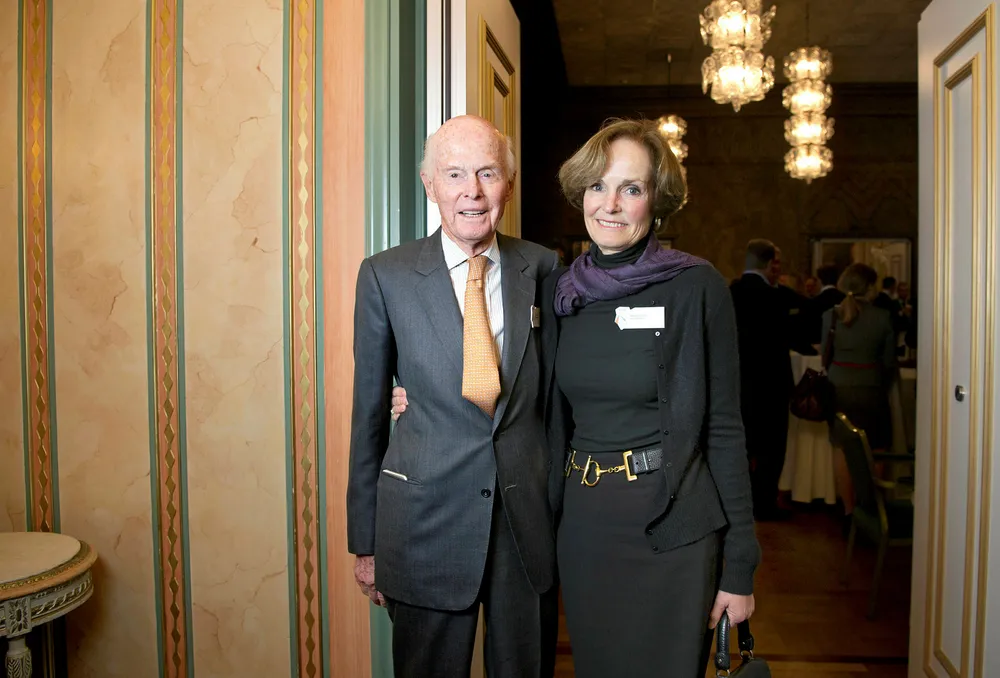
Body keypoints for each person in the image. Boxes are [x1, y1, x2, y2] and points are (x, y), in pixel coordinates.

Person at [395, 118, 759, 677]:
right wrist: (414, 396)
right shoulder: (559, 289)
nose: (610, 204)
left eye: (631, 188)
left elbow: (726, 430)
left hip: (674, 526)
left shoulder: (696, 287)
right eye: (597, 185)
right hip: (584, 528)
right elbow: (514, 381)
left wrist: (740, 568)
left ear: (656, 199)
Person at [347, 115, 559, 678]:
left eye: (487, 173)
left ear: (508, 185)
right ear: (429, 184)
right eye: (455, 174)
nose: (473, 191)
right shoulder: (385, 275)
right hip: (424, 524)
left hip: (525, 527)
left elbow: (558, 404)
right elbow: (368, 417)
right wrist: (365, 541)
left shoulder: (544, 268)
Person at [822, 263, 897, 520]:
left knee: (842, 448)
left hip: (838, 387)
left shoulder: (831, 316)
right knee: (877, 447)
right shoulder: (882, 317)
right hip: (871, 387)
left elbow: (826, 356)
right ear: (870, 287)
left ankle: (848, 511)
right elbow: (889, 362)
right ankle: (872, 509)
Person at [730, 239, 795, 520]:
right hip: (772, 383)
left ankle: (737, 503)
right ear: (769, 264)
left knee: (741, 445)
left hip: (738, 382)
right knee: (771, 448)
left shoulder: (730, 292)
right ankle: (764, 504)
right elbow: (792, 334)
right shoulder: (776, 297)